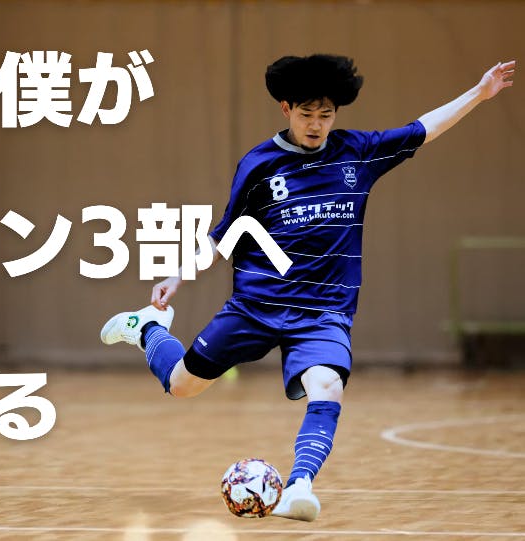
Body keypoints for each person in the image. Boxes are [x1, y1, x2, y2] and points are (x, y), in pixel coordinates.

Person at [99, 54, 515, 522]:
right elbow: (223, 235)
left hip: (323, 312)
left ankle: (299, 487)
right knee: (181, 386)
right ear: (286, 109)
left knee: (328, 386)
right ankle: (148, 328)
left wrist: (480, 93)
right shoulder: (259, 165)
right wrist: (178, 273)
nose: (316, 124)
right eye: (306, 113)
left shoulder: (358, 152)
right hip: (256, 306)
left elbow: (423, 129)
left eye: (326, 114)